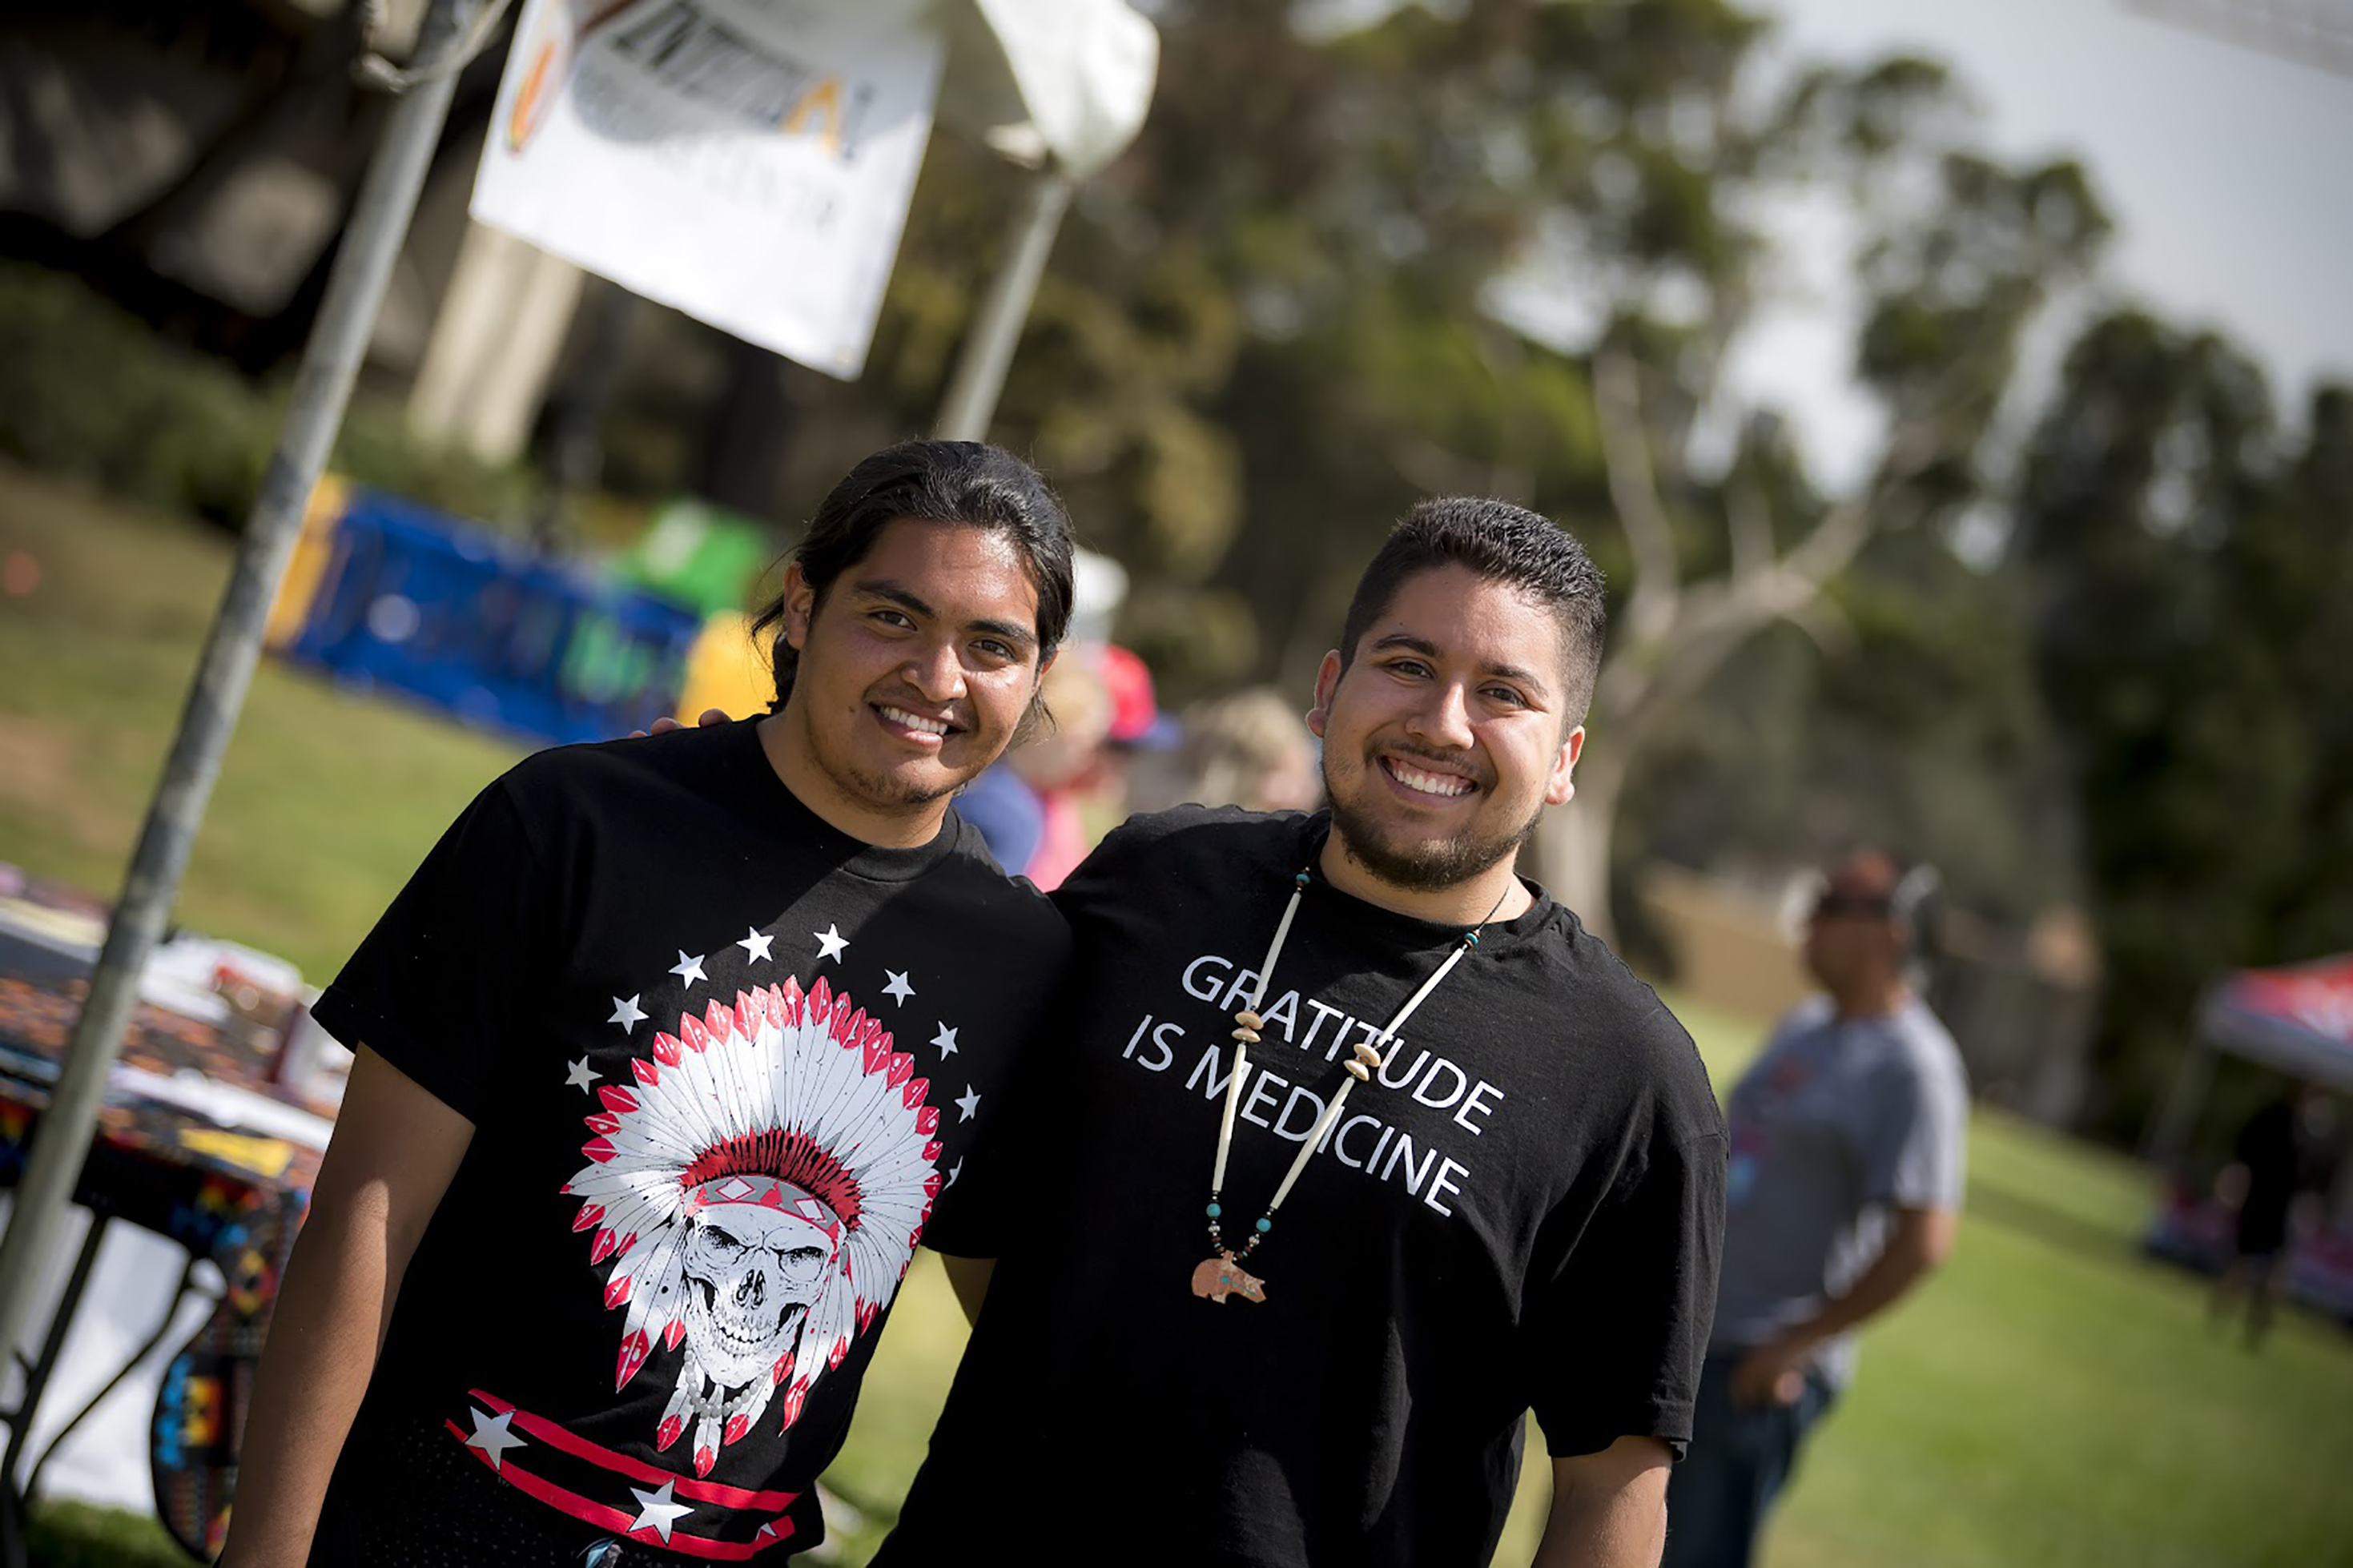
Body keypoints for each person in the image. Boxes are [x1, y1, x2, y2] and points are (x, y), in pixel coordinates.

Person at [218, 440, 1078, 1566]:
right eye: (893, 616)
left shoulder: (1023, 955)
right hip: (431, 1513)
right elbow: (366, 1214)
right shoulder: (569, 824)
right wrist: (269, 1550)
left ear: (1039, 673)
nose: (937, 675)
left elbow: (1025, 1309)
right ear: (803, 605)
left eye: (991, 646)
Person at [875, 497, 1728, 1566]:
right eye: (1408, 664)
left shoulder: (1627, 1077)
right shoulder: (1153, 880)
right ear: (1329, 691)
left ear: (1563, 757)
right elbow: (989, 1210)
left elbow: (1613, 1480)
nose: (1443, 721)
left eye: (1503, 693)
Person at [1660, 850, 1967, 1568]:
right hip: (1694, 1334)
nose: (1808, 920)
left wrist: (1799, 1344)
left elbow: (1925, 1238)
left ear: (1891, 933)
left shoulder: (1916, 1066)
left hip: (1757, 1369)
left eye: (1832, 905)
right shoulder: (1805, 1026)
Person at [2210, 1082, 2336, 1349]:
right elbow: (2245, 1149)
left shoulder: (2311, 1132)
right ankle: (2221, 1313)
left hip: (2284, 1209)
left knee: (2275, 1270)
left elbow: (2312, 1174)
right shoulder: (2274, 1119)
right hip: (2260, 1201)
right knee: (2244, 1262)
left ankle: (2257, 1326)